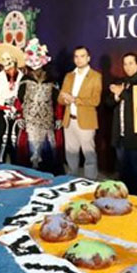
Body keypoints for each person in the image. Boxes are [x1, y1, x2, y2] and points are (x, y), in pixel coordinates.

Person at [106, 52, 137, 195]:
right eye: (125, 64)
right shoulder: (122, 82)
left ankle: (136, 198)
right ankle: (123, 198)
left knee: (135, 172)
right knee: (122, 170)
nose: (127, 67)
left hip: (135, 136)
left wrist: (121, 93)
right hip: (120, 134)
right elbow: (109, 102)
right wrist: (117, 95)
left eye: (131, 63)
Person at [58, 46, 102, 179]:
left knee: (89, 155)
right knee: (70, 154)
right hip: (69, 120)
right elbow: (60, 98)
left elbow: (95, 100)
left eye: (82, 56)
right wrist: (65, 99)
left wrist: (75, 100)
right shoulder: (69, 76)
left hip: (86, 121)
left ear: (88, 58)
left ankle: (90, 183)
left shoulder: (95, 76)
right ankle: (71, 180)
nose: (79, 59)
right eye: (76, 56)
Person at [17, 38, 60, 171]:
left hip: (47, 121)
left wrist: (58, 117)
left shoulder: (52, 79)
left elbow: (57, 101)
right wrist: (19, 116)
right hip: (30, 122)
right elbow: (19, 100)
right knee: (31, 155)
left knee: (48, 155)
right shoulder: (25, 79)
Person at [0, 43, 26, 161]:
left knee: (16, 139)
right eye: (3, 60)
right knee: (2, 138)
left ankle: (17, 163)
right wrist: (4, 101)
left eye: (8, 60)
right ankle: (1, 161)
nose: (6, 63)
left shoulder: (22, 77)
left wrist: (17, 104)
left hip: (18, 112)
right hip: (3, 113)